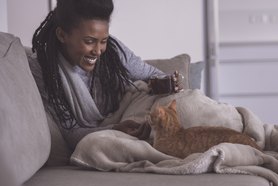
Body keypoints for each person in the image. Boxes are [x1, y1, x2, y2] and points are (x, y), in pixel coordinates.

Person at [28, 0, 173, 150]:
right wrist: (114, 130)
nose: (98, 51)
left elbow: (153, 74)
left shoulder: (113, 50)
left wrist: (167, 83)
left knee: (172, 99)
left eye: (103, 40)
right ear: (62, 35)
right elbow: (71, 134)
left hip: (127, 114)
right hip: (97, 136)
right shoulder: (43, 68)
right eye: (89, 41)